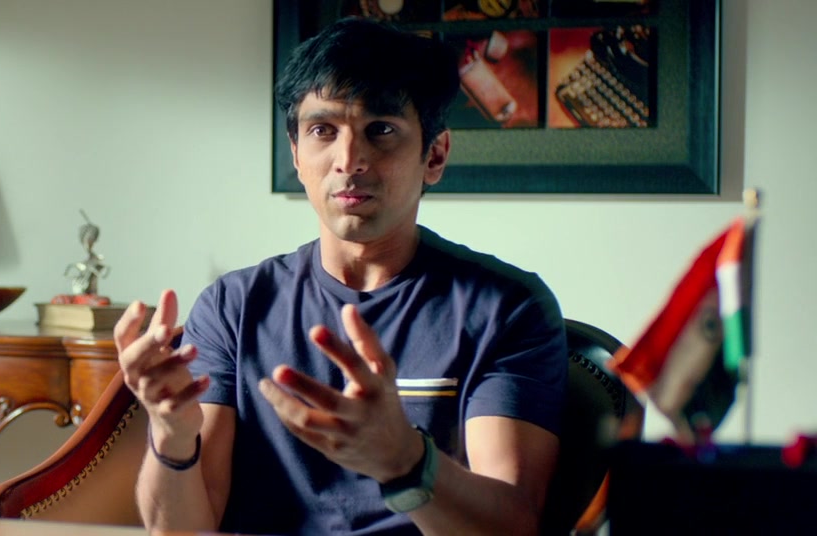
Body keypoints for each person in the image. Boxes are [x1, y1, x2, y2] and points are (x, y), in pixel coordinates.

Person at [113, 17, 566, 536]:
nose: (349, 160)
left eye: (382, 130)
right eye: (322, 131)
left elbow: (512, 525)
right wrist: (171, 432)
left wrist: (404, 460)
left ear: (435, 155)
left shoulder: (506, 308)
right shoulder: (232, 307)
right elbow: (185, 531)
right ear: (296, 154)